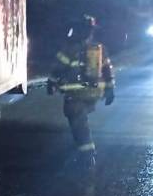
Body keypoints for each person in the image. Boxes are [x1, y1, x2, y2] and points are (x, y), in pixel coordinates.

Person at [48, 15, 115, 165]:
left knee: (79, 123)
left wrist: (51, 83)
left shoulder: (69, 49)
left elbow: (57, 69)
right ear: (92, 31)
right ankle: (83, 150)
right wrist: (110, 90)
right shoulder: (100, 49)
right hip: (94, 92)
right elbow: (107, 70)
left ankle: (87, 155)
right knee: (81, 120)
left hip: (75, 93)